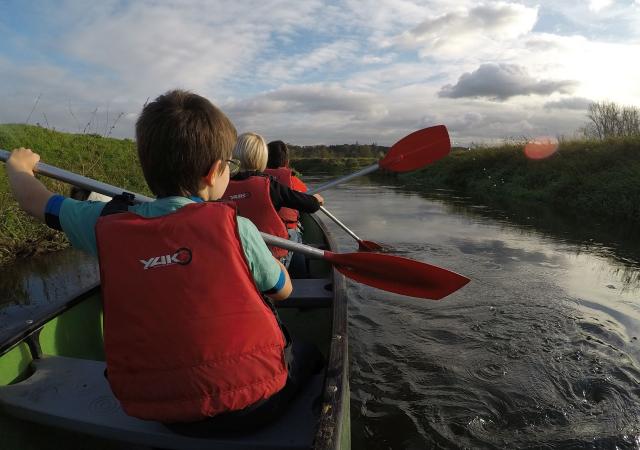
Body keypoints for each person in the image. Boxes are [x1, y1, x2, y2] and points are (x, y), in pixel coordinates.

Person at [4, 89, 322, 432]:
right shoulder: (237, 228)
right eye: (228, 165)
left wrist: (19, 167)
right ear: (214, 172)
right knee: (309, 354)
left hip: (157, 413)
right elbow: (283, 291)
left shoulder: (103, 224)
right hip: (253, 408)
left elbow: (36, 203)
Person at [222, 132, 323, 261]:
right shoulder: (270, 187)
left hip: (236, 255)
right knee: (294, 237)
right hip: (270, 257)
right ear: (263, 158)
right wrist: (316, 200)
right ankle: (298, 273)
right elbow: (311, 206)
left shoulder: (222, 185)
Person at [265, 140, 307, 230]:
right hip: (288, 231)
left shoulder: (256, 179)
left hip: (262, 230)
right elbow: (305, 195)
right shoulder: (294, 181)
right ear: (287, 161)